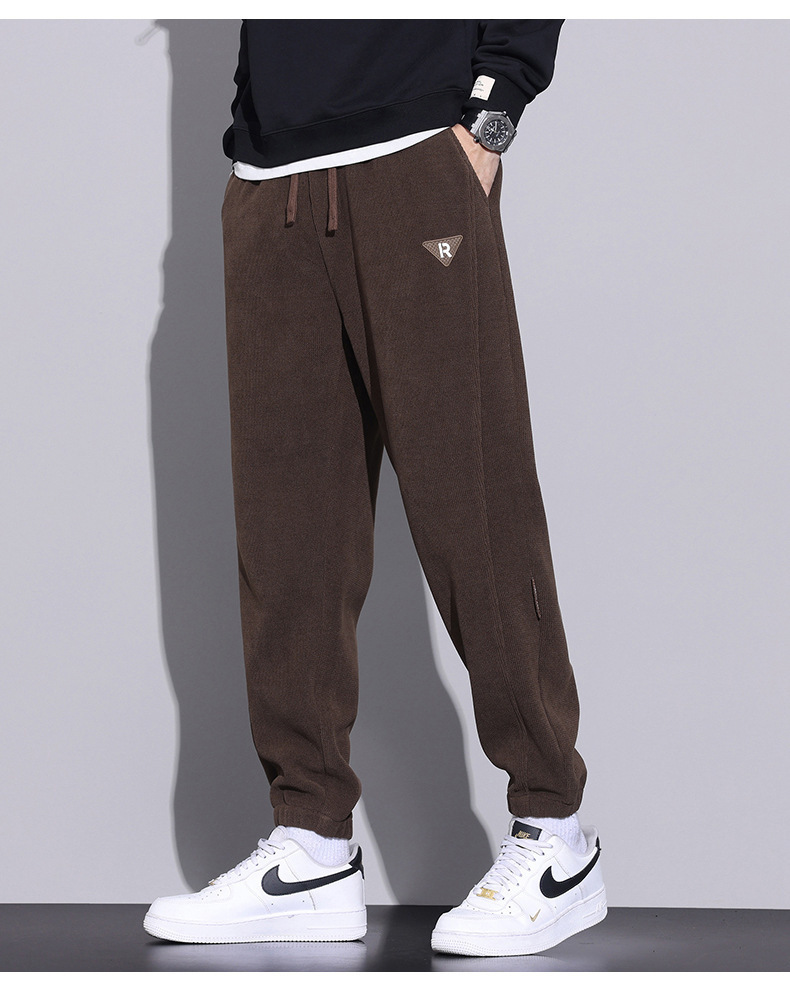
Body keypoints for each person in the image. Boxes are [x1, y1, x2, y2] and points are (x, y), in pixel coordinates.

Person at [144, 19, 607, 957]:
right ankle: (312, 841)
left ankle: (557, 832)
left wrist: (492, 117)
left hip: (416, 153)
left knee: (474, 512)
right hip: (270, 177)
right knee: (288, 538)